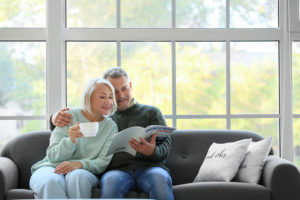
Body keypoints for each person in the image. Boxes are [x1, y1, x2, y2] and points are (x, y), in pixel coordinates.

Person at [50, 67, 174, 200]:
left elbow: (165, 147)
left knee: (159, 178)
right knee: (110, 181)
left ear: (130, 86)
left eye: (124, 88)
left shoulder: (152, 112)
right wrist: (53, 118)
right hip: (116, 171)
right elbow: (74, 122)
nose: (120, 96)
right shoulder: (103, 116)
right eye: (114, 92)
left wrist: (152, 151)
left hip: (151, 168)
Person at [30, 78, 118, 199]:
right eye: (102, 97)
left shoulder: (110, 127)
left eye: (111, 97)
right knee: (51, 182)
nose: (108, 102)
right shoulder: (68, 116)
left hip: (83, 171)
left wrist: (79, 164)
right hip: (52, 167)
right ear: (89, 97)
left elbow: (103, 162)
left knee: (77, 177)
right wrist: (70, 141)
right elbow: (52, 155)